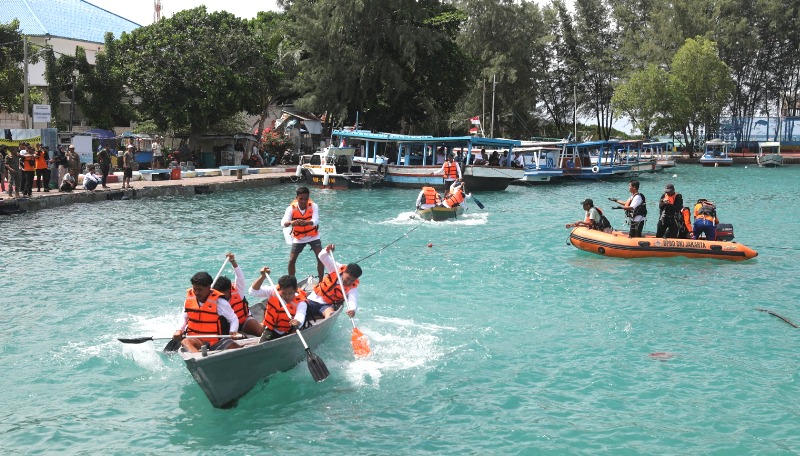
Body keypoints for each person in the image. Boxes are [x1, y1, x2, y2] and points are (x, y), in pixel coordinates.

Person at [171, 271, 242, 353]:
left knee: (233, 345)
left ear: (209, 288)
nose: (196, 293)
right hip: (196, 340)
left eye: (200, 290)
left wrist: (233, 331)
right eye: (195, 289)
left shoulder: (220, 303)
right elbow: (184, 316)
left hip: (215, 341)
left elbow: (233, 319)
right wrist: (179, 330)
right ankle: (198, 358)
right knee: (185, 342)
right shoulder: (189, 300)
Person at [247, 267, 309, 341]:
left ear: (295, 289)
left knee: (295, 332)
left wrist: (297, 321)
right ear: (280, 289)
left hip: (290, 330)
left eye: (290, 293)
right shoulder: (274, 291)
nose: (287, 296)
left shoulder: (301, 302)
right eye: (284, 293)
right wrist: (263, 277)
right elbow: (253, 291)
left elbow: (301, 314)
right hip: (272, 329)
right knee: (264, 342)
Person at [211, 253, 264, 337]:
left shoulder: (238, 290)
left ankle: (262, 326)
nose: (218, 296)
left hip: (243, 321)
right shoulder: (212, 296)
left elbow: (240, 277)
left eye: (221, 293)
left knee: (259, 331)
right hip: (226, 327)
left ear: (228, 291)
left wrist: (233, 262)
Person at [305, 244, 362, 319]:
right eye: (348, 278)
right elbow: (322, 256)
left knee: (330, 313)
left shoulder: (353, 288)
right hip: (311, 300)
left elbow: (352, 300)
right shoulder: (335, 268)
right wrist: (327, 250)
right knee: (300, 306)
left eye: (352, 280)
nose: (349, 282)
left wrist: (352, 310)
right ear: (344, 272)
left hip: (326, 306)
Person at [281, 186, 325, 279]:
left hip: (313, 236)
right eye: (301, 199)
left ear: (308, 198)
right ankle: (291, 282)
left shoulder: (313, 206)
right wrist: (292, 222)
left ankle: (321, 281)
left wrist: (306, 222)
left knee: (321, 257)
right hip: (299, 238)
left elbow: (315, 221)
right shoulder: (290, 208)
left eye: (306, 199)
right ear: (296, 198)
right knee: (291, 260)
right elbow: (283, 223)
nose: (303, 201)